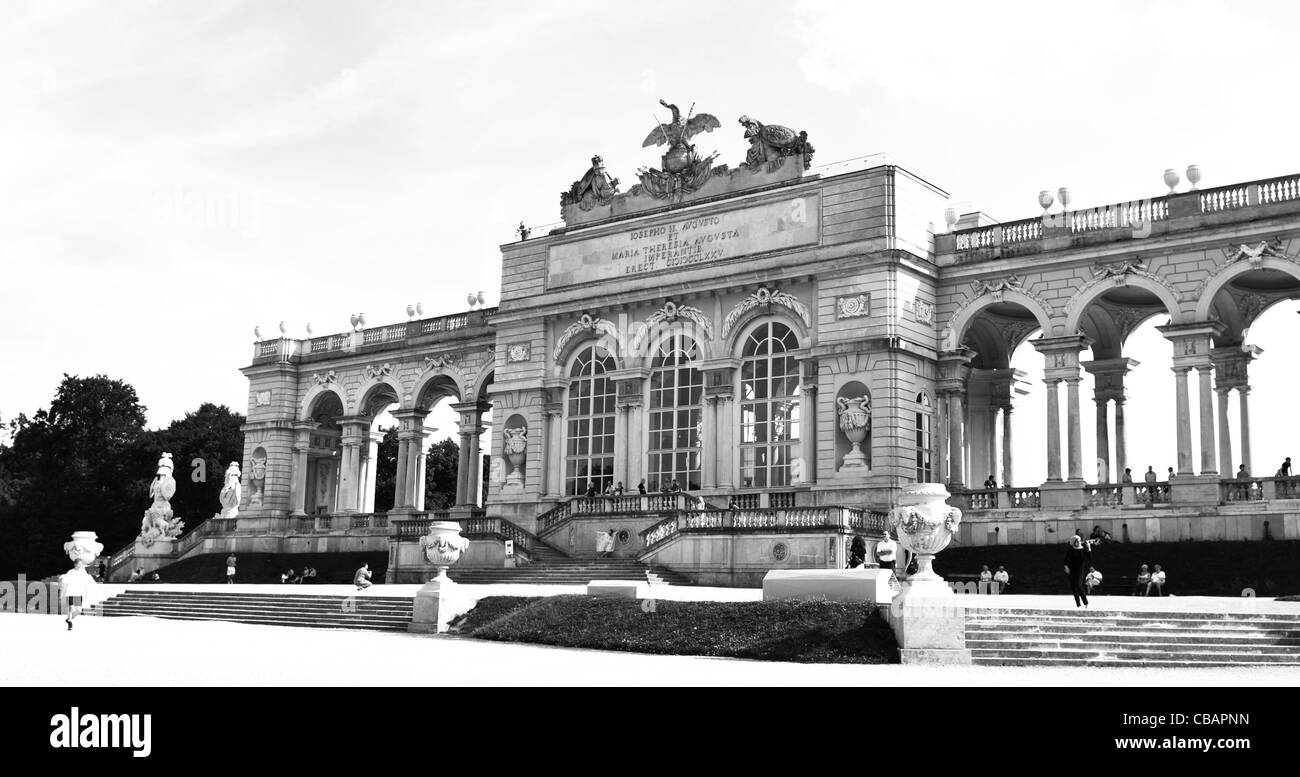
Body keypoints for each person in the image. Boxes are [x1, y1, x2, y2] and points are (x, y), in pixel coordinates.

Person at [1064, 532, 1093, 608]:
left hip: (1079, 571)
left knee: (1079, 586)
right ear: (1073, 542)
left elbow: (1089, 558)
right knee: (1073, 587)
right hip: (1071, 570)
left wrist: (1089, 548)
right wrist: (1066, 567)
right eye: (1077, 541)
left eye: (1079, 541)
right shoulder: (1071, 550)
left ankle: (1086, 603)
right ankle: (1078, 605)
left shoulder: (1083, 550)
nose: (1079, 542)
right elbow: (1066, 560)